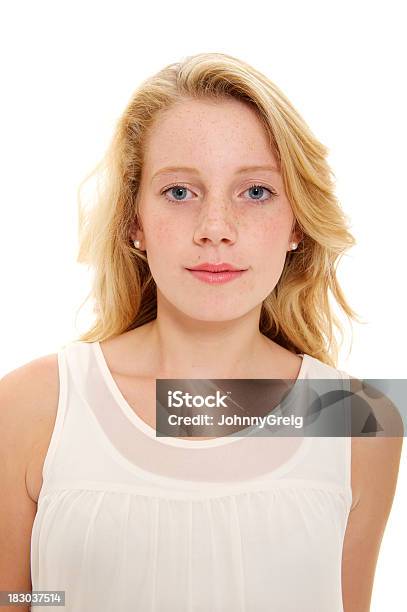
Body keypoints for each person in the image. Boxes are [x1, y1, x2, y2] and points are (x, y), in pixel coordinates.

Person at [0, 52, 403, 612]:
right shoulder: (33, 406)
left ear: (296, 223)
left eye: (255, 192)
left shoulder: (355, 415)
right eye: (181, 192)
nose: (216, 229)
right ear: (134, 221)